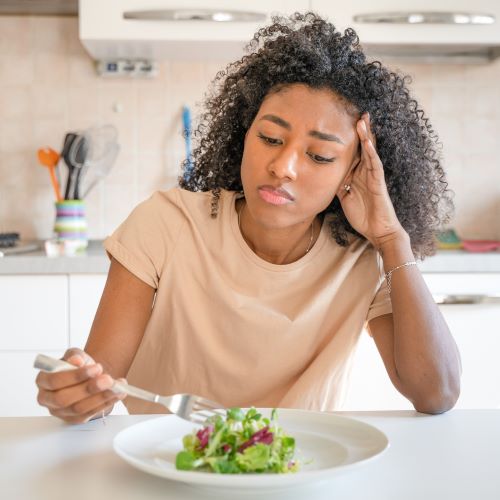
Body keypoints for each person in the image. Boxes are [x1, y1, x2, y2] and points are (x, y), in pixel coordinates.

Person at [36, 12, 461, 424]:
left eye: (319, 155)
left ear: (352, 172)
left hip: (296, 472)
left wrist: (391, 237)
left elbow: (436, 393)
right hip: (167, 470)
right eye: (270, 138)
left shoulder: (361, 256)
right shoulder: (164, 224)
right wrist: (78, 391)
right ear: (245, 133)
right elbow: (99, 388)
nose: (283, 166)